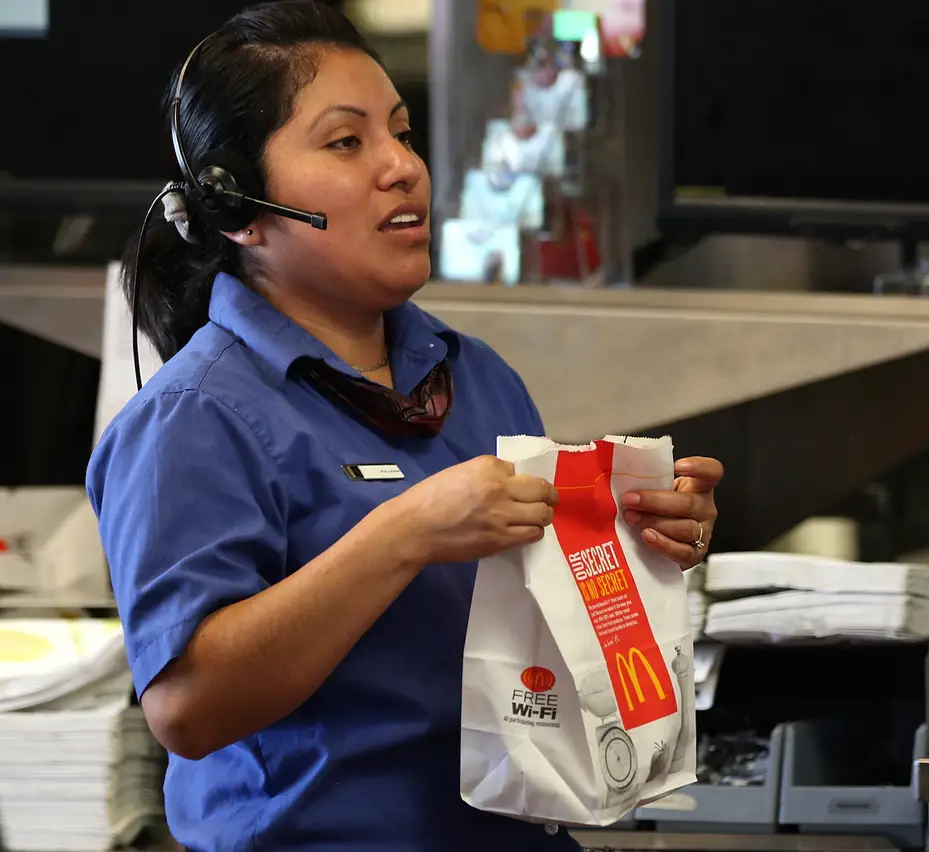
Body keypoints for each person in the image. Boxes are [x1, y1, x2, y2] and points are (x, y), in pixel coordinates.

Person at [86, 3, 723, 851]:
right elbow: (187, 708)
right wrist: (406, 533)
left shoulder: (475, 375)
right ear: (238, 207)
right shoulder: (193, 417)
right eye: (346, 143)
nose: (403, 169)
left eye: (403, 132)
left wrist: (637, 536)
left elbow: (536, 626)